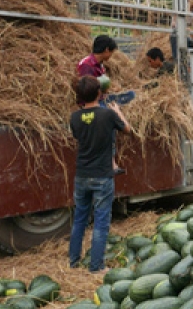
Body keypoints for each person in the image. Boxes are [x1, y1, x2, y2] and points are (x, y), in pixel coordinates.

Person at [69, 75, 131, 274]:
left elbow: (79, 136)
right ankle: (96, 267)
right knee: (101, 222)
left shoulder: (74, 118)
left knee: (79, 219)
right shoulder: (107, 115)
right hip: (102, 175)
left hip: (82, 175)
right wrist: (118, 112)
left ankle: (73, 262)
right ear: (99, 93)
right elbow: (128, 130)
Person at [77, 35, 135, 175]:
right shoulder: (86, 65)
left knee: (131, 95)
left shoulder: (100, 65)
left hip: (102, 97)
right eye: (112, 52)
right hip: (91, 101)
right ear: (106, 50)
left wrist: (109, 90)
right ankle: (111, 163)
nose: (111, 55)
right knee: (109, 121)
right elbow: (86, 90)